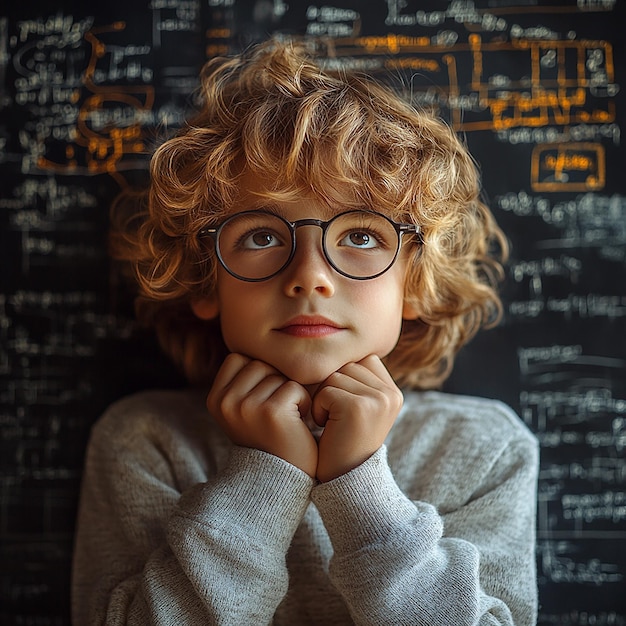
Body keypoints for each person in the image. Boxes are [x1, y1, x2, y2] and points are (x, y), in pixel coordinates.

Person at [72, 38, 539, 625]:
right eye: (262, 236)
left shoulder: (485, 451)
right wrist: (264, 478)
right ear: (206, 282)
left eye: (363, 236)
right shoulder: (146, 442)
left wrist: (359, 487)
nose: (311, 277)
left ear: (416, 282)